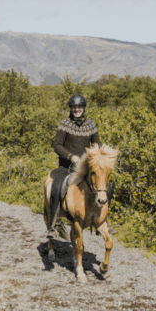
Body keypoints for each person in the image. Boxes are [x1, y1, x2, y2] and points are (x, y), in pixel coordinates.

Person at [47, 94, 100, 238]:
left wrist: (96, 149)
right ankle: (54, 225)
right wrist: (70, 156)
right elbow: (57, 145)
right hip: (66, 166)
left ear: (84, 108)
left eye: (79, 107)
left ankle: (101, 221)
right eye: (74, 107)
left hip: (85, 168)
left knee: (106, 187)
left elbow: (96, 143)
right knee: (55, 188)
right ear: (71, 108)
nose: (77, 110)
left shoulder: (91, 125)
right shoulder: (65, 124)